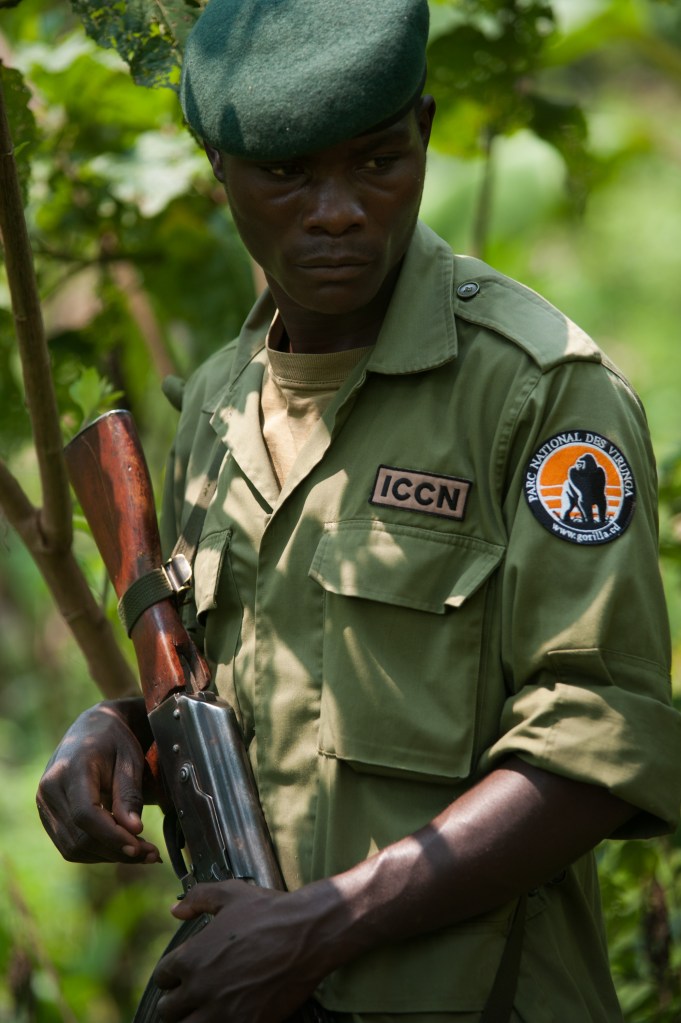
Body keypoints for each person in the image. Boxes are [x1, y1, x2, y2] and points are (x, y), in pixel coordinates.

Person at [36, 1, 681, 1021]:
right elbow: (256, 688)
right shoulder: (215, 403)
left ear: (423, 132)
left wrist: (320, 928)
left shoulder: (539, 392)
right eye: (288, 175)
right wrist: (119, 732)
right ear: (220, 169)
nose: (336, 211)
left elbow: (599, 740)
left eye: (377, 161)